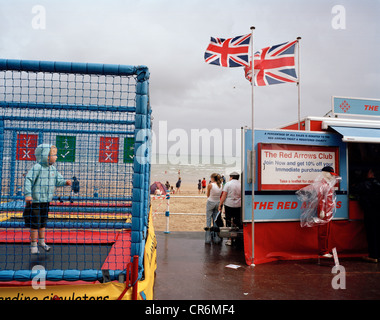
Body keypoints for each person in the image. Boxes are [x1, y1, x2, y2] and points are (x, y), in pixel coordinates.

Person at [24, 144, 72, 254]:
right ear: (46, 156)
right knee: (35, 224)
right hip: (35, 201)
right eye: (54, 154)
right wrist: (28, 194)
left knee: (43, 223)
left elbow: (58, 181)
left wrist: (65, 182)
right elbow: (28, 180)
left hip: (46, 201)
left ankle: (41, 242)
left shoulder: (53, 169)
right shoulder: (37, 167)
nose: (56, 157)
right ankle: (33, 245)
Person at [353, 169, 380, 263]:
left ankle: (373, 256)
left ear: (371, 174)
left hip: (370, 212)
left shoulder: (365, 184)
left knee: (372, 234)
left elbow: (354, 190)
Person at [218, 171, 242, 246]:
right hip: (238, 205)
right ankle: (237, 238)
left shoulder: (228, 184)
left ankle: (229, 239)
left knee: (228, 221)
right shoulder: (241, 184)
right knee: (237, 221)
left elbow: (224, 195)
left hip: (229, 205)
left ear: (231, 177)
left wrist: (220, 204)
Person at [205, 173, 223, 244]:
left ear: (213, 178)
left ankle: (208, 238)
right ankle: (216, 238)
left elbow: (208, 195)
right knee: (215, 220)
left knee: (208, 219)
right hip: (218, 202)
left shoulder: (210, 185)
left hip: (211, 202)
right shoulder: (221, 185)